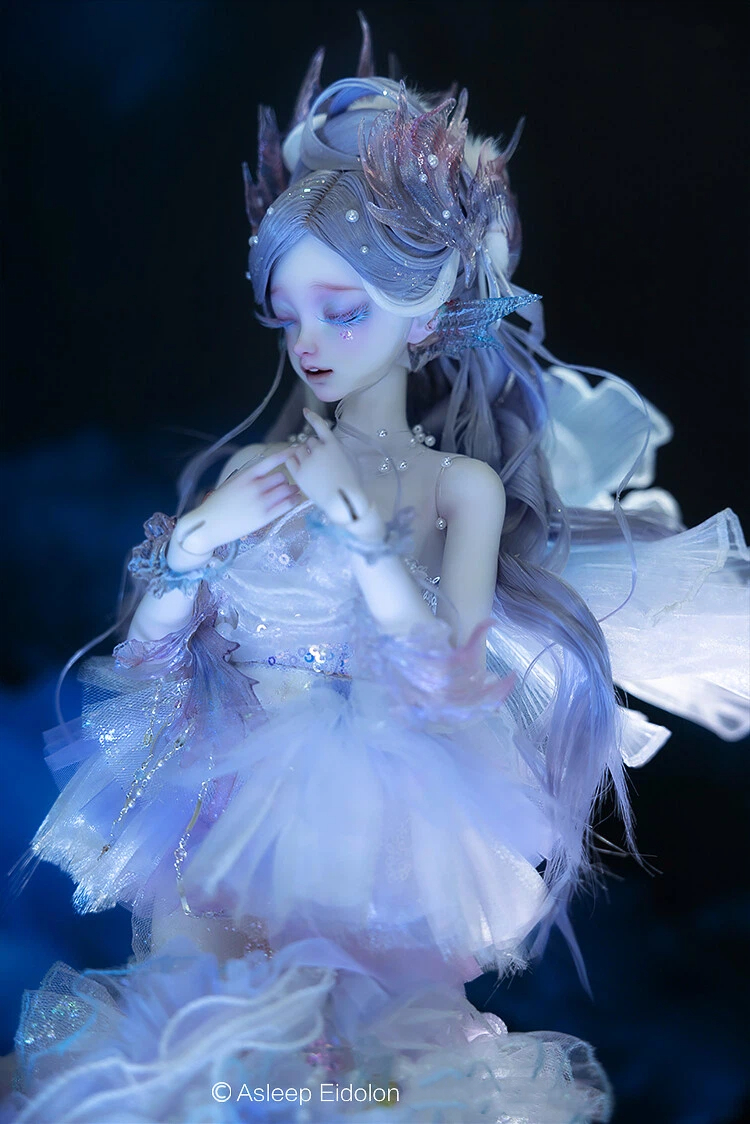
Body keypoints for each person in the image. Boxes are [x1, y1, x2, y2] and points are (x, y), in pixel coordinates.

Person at [8, 24, 748, 1123]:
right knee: (202, 1040)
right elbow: (150, 662)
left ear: (425, 306)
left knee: (365, 1063)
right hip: (220, 800)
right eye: (290, 315)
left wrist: (369, 552)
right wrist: (189, 552)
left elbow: (452, 675)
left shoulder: (460, 490)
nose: (310, 341)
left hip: (382, 813)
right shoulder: (257, 476)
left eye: (343, 311)